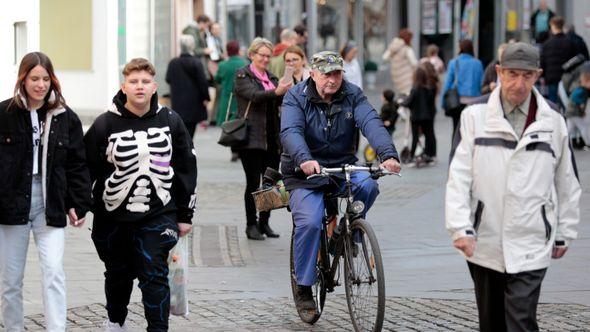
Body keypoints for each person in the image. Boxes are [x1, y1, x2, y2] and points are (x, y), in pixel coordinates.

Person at [446, 42, 581, 332]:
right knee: (492, 322)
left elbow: (567, 178)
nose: (518, 84)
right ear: (498, 72)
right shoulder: (474, 116)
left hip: (532, 237)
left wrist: (565, 231)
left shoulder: (553, 120)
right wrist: (460, 227)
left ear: (538, 76)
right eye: (511, 74)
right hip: (484, 240)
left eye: (527, 75)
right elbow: (458, 175)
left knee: (521, 321)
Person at [280, 51, 401, 311]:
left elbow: (371, 122)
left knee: (368, 184)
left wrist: (387, 154)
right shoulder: (296, 97)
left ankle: (347, 232)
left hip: (341, 165)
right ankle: (303, 286)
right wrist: (303, 159)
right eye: (327, 74)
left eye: (337, 73)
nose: (333, 80)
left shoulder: (352, 94)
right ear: (313, 73)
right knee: (311, 223)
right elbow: (291, 131)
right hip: (305, 172)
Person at [84, 58, 197, 331]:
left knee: (154, 273)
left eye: (145, 82)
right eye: (133, 82)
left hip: (159, 213)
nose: (139, 87)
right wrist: (79, 204)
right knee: (117, 275)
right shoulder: (104, 124)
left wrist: (185, 214)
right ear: (124, 87)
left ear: (154, 86)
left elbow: (185, 167)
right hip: (113, 217)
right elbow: (85, 168)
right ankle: (115, 322)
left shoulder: (170, 120)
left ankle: (158, 329)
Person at [0, 52, 91, 331]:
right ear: (23, 79)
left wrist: (79, 203)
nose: (40, 84)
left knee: (54, 272)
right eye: (34, 78)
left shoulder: (66, 117)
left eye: (45, 78)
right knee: (11, 279)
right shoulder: (4, 114)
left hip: (49, 203)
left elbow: (78, 165)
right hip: (11, 204)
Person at [234, 37, 293, 240]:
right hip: (251, 139)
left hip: (271, 139)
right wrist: (276, 92)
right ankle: (251, 225)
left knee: (270, 183)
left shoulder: (271, 77)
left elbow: (281, 99)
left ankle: (264, 223)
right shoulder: (243, 75)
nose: (266, 59)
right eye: (262, 55)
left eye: (269, 56)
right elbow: (254, 95)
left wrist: (287, 90)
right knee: (252, 184)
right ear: (252, 55)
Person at [165, 34, 210, 138]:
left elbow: (168, 79)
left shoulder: (173, 63)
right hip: (193, 103)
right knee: (190, 131)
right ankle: (188, 151)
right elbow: (203, 83)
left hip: (178, 102)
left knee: (179, 130)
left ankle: (183, 150)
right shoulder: (196, 63)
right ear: (192, 46)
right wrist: (206, 97)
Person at [441, 39, 484, 139]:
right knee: (472, 130)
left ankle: (455, 152)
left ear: (460, 49)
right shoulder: (477, 63)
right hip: (474, 102)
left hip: (457, 102)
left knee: (456, 129)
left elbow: (447, 83)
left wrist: (443, 101)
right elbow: (481, 83)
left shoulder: (454, 62)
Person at [399, 65, 437, 164]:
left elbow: (409, 102)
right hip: (427, 116)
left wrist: (400, 102)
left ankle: (411, 157)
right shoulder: (428, 89)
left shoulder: (414, 89)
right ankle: (429, 155)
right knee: (428, 135)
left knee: (415, 137)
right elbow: (430, 103)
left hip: (415, 117)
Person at [541, 16, 578, 105]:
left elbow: (543, 62)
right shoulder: (570, 42)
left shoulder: (547, 44)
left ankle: (554, 118)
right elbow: (575, 60)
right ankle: (564, 118)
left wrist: (543, 76)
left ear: (552, 26)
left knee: (552, 102)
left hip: (551, 77)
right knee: (565, 102)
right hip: (567, 77)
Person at [215, 40, 248, 126]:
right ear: (238, 50)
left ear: (227, 51)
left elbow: (217, 79)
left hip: (226, 100)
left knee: (226, 128)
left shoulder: (223, 65)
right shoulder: (245, 63)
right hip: (241, 100)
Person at [382, 28, 418, 95]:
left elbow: (384, 57)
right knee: (407, 95)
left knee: (400, 95)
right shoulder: (407, 49)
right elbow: (414, 63)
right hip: (407, 77)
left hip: (396, 76)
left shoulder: (392, 47)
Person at [183, 14, 212, 81]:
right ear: (201, 23)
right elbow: (193, 49)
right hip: (193, 63)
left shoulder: (196, 31)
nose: (206, 28)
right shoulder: (192, 32)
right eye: (206, 25)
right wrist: (204, 51)